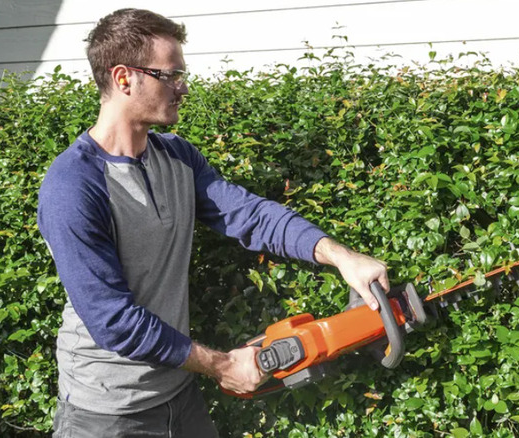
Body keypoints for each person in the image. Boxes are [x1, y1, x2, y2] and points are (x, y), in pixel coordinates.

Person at [37, 8, 389, 437]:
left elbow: (253, 217)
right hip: (106, 412)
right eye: (171, 75)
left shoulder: (178, 157)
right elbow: (113, 320)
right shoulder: (73, 184)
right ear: (125, 78)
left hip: (178, 396)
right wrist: (223, 365)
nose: (182, 87)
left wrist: (341, 257)